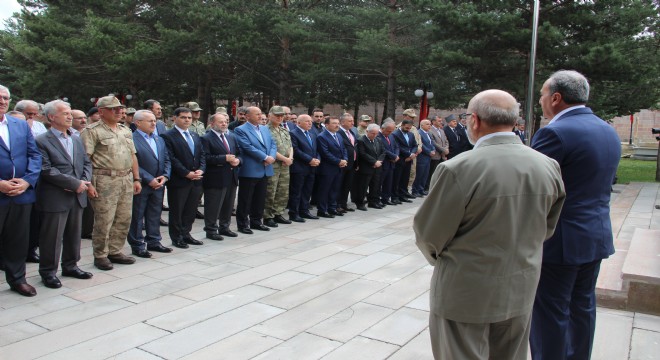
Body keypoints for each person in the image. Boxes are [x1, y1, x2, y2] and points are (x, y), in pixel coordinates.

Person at [414, 89, 566, 360]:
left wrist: (444, 260)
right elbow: (547, 227)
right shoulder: (547, 165)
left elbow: (429, 235)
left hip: (465, 289)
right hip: (520, 284)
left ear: (475, 120)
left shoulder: (458, 168)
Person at [530, 70, 621, 360]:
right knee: (582, 307)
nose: (541, 101)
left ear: (556, 98)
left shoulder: (554, 133)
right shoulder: (606, 129)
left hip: (560, 240)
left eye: (543, 95)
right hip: (594, 235)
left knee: (551, 311)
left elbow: (532, 187)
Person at [35, 100, 95, 289]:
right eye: (65, 113)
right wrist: (74, 183)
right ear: (51, 117)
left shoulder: (76, 138)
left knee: (73, 233)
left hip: (78, 195)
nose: (70, 116)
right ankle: (48, 272)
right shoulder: (41, 141)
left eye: (70, 113)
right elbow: (45, 169)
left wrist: (84, 181)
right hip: (55, 195)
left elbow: (86, 162)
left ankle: (70, 265)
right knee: (52, 236)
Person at [81, 95, 141, 271]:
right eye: (113, 109)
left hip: (126, 177)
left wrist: (136, 178)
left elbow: (132, 155)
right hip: (104, 179)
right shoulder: (92, 131)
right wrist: (88, 183)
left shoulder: (125, 130)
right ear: (101, 111)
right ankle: (100, 254)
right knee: (104, 219)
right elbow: (85, 159)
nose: (119, 111)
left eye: (120, 108)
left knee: (123, 217)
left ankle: (115, 250)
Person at [0, 85, 42, 296]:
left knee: (17, 240)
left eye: (6, 97)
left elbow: (34, 155)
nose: (2, 101)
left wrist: (27, 181)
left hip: (20, 195)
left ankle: (17, 279)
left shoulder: (19, 125)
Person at [128, 110, 172, 257]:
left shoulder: (159, 139)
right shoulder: (131, 139)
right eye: (150, 121)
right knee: (138, 215)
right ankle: (137, 244)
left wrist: (165, 176)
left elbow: (166, 159)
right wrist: (149, 179)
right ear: (138, 123)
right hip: (142, 183)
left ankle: (154, 241)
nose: (154, 123)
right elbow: (133, 163)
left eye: (154, 120)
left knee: (154, 213)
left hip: (159, 183)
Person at [161, 107, 206, 248]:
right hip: (179, 180)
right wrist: (186, 173)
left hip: (196, 179)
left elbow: (202, 155)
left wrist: (201, 169)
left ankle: (186, 234)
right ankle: (176, 237)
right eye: (183, 117)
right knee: (177, 210)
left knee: (190, 210)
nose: (187, 120)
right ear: (175, 118)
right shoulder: (168, 136)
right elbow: (171, 158)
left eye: (189, 118)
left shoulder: (194, 135)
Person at [233, 106, 277, 234]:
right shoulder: (240, 130)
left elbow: (273, 144)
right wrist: (264, 157)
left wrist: (271, 157)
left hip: (265, 168)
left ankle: (256, 221)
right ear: (247, 116)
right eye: (256, 114)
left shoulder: (264, 128)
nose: (260, 116)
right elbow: (247, 147)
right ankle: (242, 224)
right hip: (251, 168)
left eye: (260, 114)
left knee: (260, 197)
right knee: (245, 199)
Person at [201, 112, 240, 239]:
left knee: (228, 204)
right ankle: (211, 230)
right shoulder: (206, 138)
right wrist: (224, 158)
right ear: (212, 124)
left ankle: (225, 227)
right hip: (215, 177)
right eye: (221, 122)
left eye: (226, 122)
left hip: (231, 176)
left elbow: (239, 153)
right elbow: (205, 158)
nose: (224, 124)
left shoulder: (231, 137)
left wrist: (238, 160)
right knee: (213, 205)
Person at [263, 106, 294, 228]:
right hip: (273, 164)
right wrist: (285, 159)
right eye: (277, 115)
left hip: (285, 165)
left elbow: (290, 146)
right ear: (269, 115)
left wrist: (290, 158)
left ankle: (278, 213)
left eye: (281, 115)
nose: (279, 118)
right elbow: (269, 148)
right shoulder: (265, 130)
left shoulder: (284, 130)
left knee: (283, 190)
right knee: (271, 191)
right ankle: (268, 216)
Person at [288, 114, 320, 222]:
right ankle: (294, 213)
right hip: (299, 168)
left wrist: (317, 159)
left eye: (310, 121)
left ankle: (304, 211)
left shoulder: (312, 134)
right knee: (296, 192)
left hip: (311, 167)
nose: (310, 123)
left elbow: (316, 149)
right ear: (299, 122)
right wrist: (310, 160)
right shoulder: (293, 133)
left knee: (307, 191)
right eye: (307, 121)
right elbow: (296, 150)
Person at [315, 116, 347, 218]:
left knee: (334, 189)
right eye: (334, 123)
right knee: (325, 190)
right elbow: (325, 153)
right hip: (327, 168)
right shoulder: (322, 137)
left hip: (338, 167)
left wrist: (345, 159)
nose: (337, 125)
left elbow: (344, 149)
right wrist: (338, 161)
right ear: (327, 125)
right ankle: (322, 210)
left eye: (338, 123)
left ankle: (332, 208)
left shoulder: (338, 135)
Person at [354, 123, 386, 210]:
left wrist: (379, 161)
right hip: (366, 167)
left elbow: (383, 151)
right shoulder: (361, 140)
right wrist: (374, 162)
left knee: (375, 185)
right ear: (367, 131)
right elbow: (363, 154)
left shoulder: (378, 140)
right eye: (372, 133)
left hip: (377, 167)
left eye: (376, 133)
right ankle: (360, 203)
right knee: (363, 186)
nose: (374, 135)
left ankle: (373, 201)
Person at [391, 119, 418, 202]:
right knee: (397, 179)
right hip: (400, 159)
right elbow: (398, 147)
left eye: (410, 128)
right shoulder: (395, 134)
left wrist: (412, 154)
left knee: (405, 178)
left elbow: (415, 145)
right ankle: (395, 196)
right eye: (406, 128)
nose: (408, 130)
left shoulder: (411, 134)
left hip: (409, 159)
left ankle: (402, 195)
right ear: (402, 125)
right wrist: (409, 154)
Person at [337, 113, 358, 213]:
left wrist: (356, 163)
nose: (352, 123)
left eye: (353, 121)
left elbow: (354, 148)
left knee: (347, 185)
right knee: (339, 185)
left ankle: (344, 204)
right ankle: (337, 205)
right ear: (342, 122)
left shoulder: (351, 132)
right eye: (350, 121)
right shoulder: (339, 132)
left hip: (352, 164)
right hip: (343, 163)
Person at [377, 120, 400, 206]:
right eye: (388, 131)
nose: (390, 133)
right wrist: (393, 156)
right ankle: (377, 199)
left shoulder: (391, 136)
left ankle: (385, 198)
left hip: (391, 163)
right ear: (382, 128)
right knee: (379, 182)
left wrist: (396, 156)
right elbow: (383, 149)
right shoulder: (378, 136)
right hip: (384, 163)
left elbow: (396, 146)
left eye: (391, 131)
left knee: (388, 182)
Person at [411, 119, 435, 197]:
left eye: (430, 124)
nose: (429, 126)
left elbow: (431, 143)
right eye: (427, 124)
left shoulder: (428, 133)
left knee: (425, 174)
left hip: (428, 158)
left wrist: (433, 150)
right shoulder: (419, 133)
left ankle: (421, 189)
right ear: (422, 125)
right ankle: (415, 190)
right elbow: (422, 145)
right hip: (422, 157)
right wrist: (429, 152)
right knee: (419, 174)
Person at [427, 115, 449, 191]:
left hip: (442, 155)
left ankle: (436, 187)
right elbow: (433, 142)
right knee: (432, 172)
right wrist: (443, 149)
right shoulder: (430, 130)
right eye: (439, 121)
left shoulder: (441, 130)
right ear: (433, 122)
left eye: (441, 120)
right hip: (435, 155)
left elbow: (446, 141)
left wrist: (446, 148)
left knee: (439, 173)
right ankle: (428, 187)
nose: (441, 122)